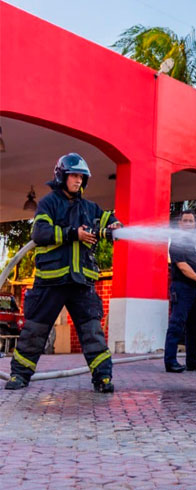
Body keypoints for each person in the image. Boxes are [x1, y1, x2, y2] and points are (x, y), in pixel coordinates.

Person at [5, 153, 121, 392]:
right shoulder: (49, 203)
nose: (78, 181)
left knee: (92, 332)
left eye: (81, 177)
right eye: (74, 176)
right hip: (51, 282)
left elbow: (107, 218)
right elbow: (40, 233)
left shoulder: (90, 208)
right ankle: (19, 375)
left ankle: (103, 377)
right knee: (35, 331)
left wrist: (115, 224)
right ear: (62, 176)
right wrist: (72, 234)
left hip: (81, 282)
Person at [164, 210, 196, 373]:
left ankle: (193, 361)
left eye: (191, 221)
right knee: (177, 325)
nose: (189, 224)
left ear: (195, 224)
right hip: (182, 288)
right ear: (180, 224)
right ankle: (170, 361)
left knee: (195, 327)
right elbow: (182, 265)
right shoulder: (177, 242)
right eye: (186, 221)